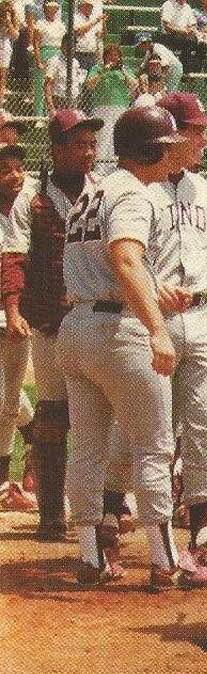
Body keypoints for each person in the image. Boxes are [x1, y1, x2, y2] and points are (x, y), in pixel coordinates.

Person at [56, 105, 207, 588]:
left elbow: (113, 263)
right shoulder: (133, 192)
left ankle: (90, 557)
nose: (173, 151)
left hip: (77, 327)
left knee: (87, 447)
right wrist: (158, 329)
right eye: (167, 145)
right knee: (154, 446)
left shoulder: (95, 190)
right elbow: (125, 260)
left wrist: (150, 290)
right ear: (151, 150)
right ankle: (165, 561)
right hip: (118, 331)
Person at [1, 110, 100, 536]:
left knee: (98, 413)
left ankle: (100, 509)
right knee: (52, 412)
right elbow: (15, 259)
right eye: (79, 144)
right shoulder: (33, 199)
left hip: (96, 317)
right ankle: (52, 513)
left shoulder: (104, 191)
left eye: (92, 144)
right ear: (57, 149)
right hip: (50, 322)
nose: (88, 152)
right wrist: (14, 309)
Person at [0, 141, 35, 515]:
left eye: (17, 168)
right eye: (4, 170)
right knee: (4, 398)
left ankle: (3, 482)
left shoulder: (30, 207)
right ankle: (35, 430)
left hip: (16, 315)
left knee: (7, 398)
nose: (14, 176)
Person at [83, 43, 138, 168]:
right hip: (102, 107)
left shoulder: (124, 69)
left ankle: (116, 167)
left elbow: (134, 84)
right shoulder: (97, 68)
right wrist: (104, 71)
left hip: (120, 107)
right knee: (102, 136)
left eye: (116, 56)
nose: (113, 58)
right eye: (110, 55)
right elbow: (89, 85)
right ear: (105, 56)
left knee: (117, 136)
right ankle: (100, 167)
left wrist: (123, 71)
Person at [31, 0, 65, 116]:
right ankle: (39, 116)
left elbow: (63, 42)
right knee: (41, 86)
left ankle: (51, 115)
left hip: (58, 54)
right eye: (50, 9)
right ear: (45, 10)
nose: (52, 11)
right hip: (44, 53)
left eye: (54, 9)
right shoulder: (40, 24)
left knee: (53, 87)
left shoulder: (60, 25)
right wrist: (38, 61)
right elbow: (36, 44)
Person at [159, 0, 207, 73]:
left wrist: (189, 31)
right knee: (189, 43)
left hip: (185, 36)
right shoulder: (168, 4)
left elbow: (193, 25)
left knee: (204, 46)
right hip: (169, 36)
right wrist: (181, 31)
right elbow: (167, 26)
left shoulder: (187, 7)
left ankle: (196, 72)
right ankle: (185, 71)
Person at [44, 35, 85, 114]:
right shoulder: (55, 61)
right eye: (68, 45)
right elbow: (48, 84)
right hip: (59, 100)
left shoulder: (75, 62)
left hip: (74, 99)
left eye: (73, 46)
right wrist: (51, 107)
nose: (71, 48)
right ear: (62, 45)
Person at [73, 0, 106, 71]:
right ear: (82, 6)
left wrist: (104, 23)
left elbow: (100, 35)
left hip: (92, 54)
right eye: (88, 6)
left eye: (91, 6)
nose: (90, 8)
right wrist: (96, 21)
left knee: (91, 75)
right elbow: (79, 31)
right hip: (79, 53)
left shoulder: (92, 19)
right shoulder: (76, 18)